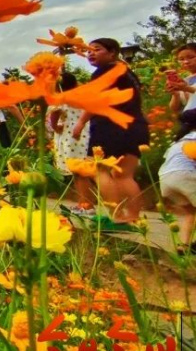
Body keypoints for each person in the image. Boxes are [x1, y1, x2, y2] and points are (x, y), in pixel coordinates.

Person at [72, 38, 150, 224]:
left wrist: (81, 121)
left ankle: (116, 215)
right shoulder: (127, 72)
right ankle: (132, 217)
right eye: (89, 50)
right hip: (135, 125)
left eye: (96, 49)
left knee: (100, 169)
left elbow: (97, 100)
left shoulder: (105, 72)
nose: (90, 53)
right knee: (123, 174)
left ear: (113, 52)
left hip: (111, 126)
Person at [49, 72, 92, 205]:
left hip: (70, 136)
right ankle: (84, 203)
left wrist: (55, 126)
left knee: (78, 173)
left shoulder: (62, 98)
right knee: (83, 171)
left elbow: (54, 113)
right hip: (84, 134)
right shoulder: (81, 96)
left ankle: (86, 205)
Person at [159, 108, 196, 254]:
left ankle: (184, 245)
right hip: (185, 176)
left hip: (166, 179)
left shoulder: (178, 141)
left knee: (190, 212)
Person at [168, 43, 196, 115]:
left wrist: (186, 88)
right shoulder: (185, 80)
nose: (186, 62)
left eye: (191, 57)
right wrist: (175, 95)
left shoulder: (183, 84)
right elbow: (174, 108)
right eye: (181, 59)